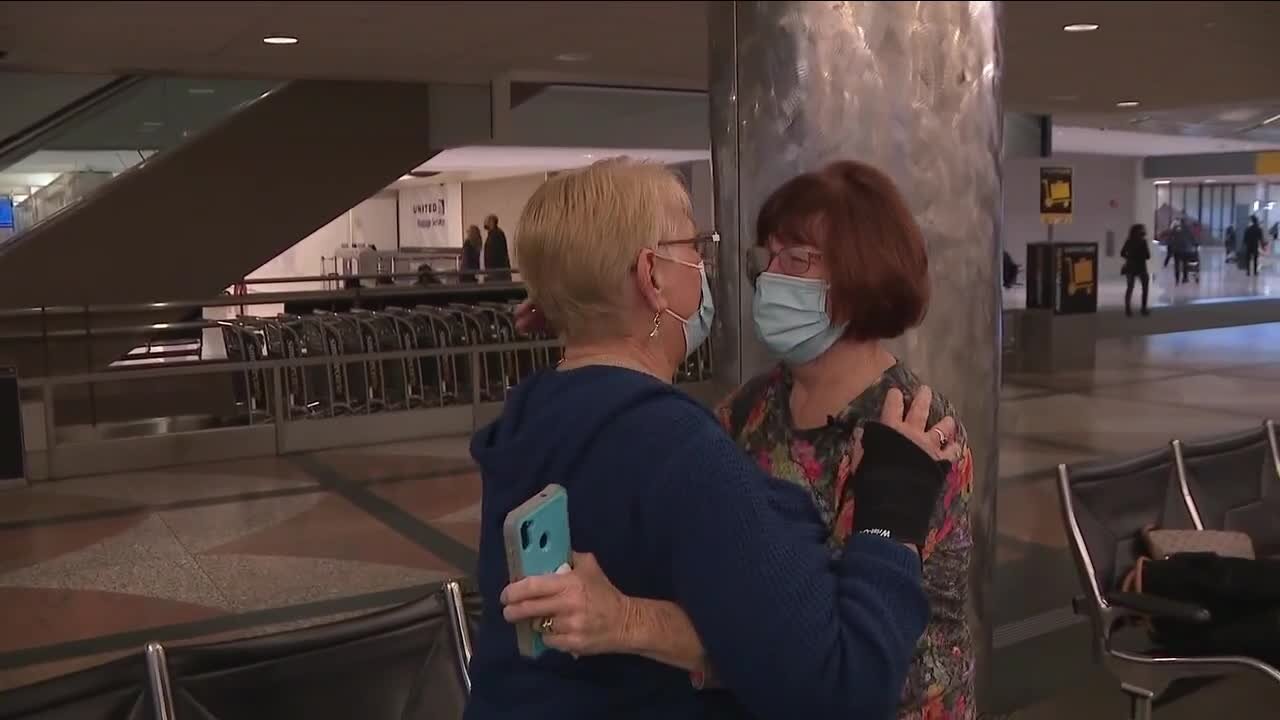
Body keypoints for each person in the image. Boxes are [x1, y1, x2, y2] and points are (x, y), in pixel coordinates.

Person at [465, 159, 962, 720]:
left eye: (795, 260)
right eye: (693, 244)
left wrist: (575, 307)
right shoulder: (691, 440)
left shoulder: (529, 416)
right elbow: (837, 683)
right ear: (652, 276)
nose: (714, 268)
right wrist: (886, 523)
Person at [1121, 223, 1151, 317]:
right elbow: (1147, 256)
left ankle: (1127, 309)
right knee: (1145, 288)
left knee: (1130, 288)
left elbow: (1122, 253)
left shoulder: (1129, 241)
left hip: (1130, 266)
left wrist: (1129, 257)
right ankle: (1143, 308)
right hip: (1141, 267)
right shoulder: (1143, 242)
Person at [483, 214, 511, 282]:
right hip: (496, 270)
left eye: (487, 221)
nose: (485, 223)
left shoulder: (496, 234)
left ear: (491, 222)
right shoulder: (494, 234)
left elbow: (496, 254)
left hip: (497, 271)